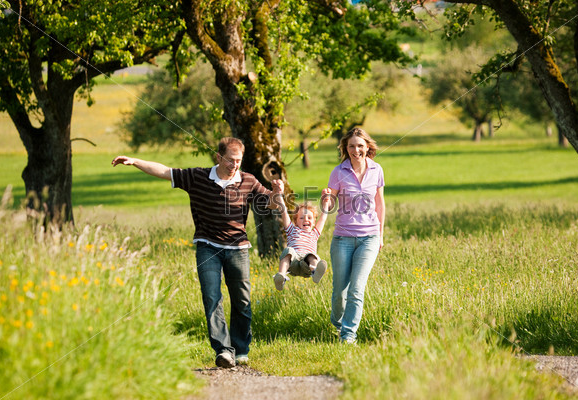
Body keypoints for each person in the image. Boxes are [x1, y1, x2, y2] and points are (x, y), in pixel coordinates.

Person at [112, 137, 284, 368]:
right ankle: (224, 350)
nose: (235, 165)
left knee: (241, 300)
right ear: (218, 156)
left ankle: (241, 349)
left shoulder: (248, 181)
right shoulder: (198, 177)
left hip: (238, 248)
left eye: (238, 161)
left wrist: (276, 192)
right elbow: (165, 171)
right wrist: (134, 161)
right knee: (211, 297)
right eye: (231, 160)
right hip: (207, 246)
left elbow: (270, 205)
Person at [326, 127, 385, 344]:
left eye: (360, 145)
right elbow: (331, 203)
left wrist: (380, 235)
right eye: (351, 146)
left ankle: (348, 336)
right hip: (343, 238)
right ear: (346, 148)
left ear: (368, 147)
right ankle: (338, 324)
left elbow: (380, 204)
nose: (356, 150)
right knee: (340, 294)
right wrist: (326, 198)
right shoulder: (338, 172)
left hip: (369, 237)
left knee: (357, 289)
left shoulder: (377, 170)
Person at [272, 190, 333, 291]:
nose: (306, 220)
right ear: (295, 221)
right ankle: (281, 276)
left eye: (309, 217)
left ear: (314, 222)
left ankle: (315, 272)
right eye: (301, 218)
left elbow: (323, 218)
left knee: (311, 255)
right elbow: (284, 212)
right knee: (288, 250)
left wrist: (326, 203)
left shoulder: (315, 233)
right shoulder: (292, 230)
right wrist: (279, 196)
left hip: (306, 266)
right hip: (293, 263)